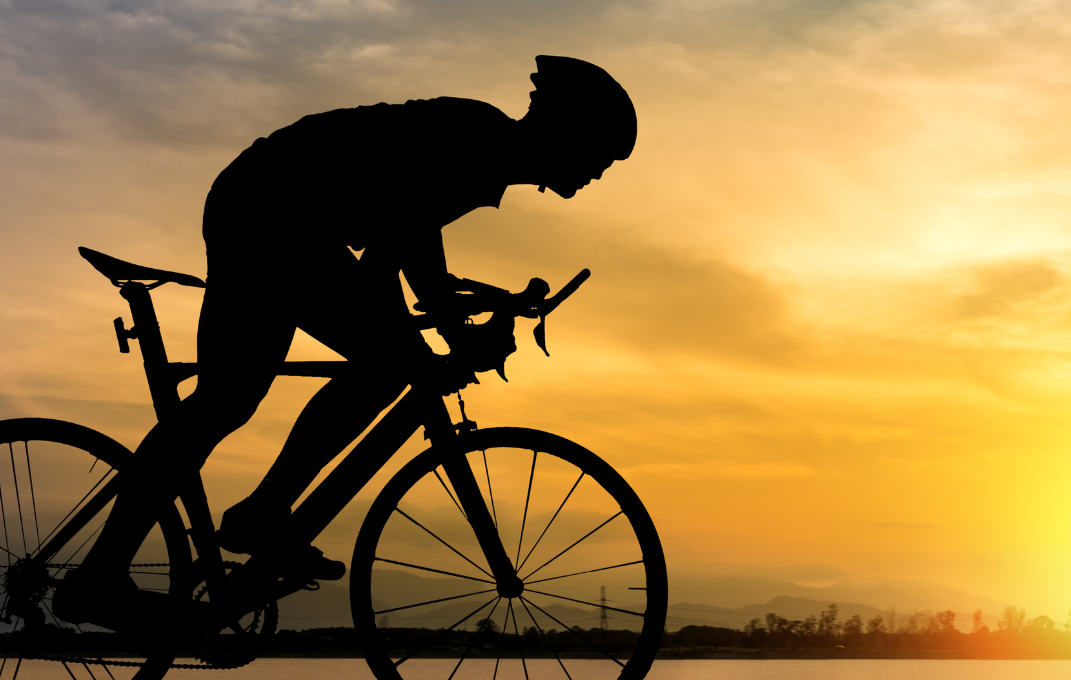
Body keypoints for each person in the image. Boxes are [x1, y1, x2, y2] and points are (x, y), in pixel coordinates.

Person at [55, 56, 636, 629]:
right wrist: (443, 337)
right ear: (568, 133)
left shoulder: (484, 151)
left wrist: (454, 322)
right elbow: (391, 253)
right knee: (320, 378)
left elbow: (415, 248)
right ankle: (157, 555)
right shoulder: (476, 140)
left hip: (281, 211)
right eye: (601, 157)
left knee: (250, 394)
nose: (598, 174)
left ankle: (244, 519)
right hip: (270, 209)